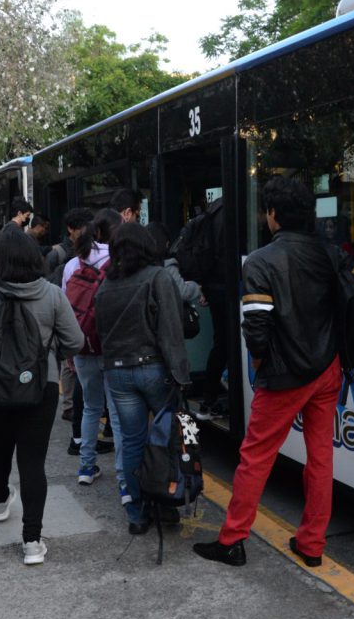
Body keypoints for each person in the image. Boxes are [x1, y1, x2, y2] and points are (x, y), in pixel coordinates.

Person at [194, 177, 342, 568]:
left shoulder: (261, 260)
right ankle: (312, 544)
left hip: (284, 374)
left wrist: (261, 365)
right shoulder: (330, 254)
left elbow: (256, 329)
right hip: (327, 369)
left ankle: (232, 539)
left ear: (273, 215)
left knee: (256, 456)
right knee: (321, 457)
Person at [0, 228, 84, 565]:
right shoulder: (52, 295)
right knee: (32, 461)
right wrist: (49, 355)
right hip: (40, 389)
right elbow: (76, 342)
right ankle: (32, 542)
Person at [95, 223, 189, 534]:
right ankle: (166, 502)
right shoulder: (157, 277)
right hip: (153, 369)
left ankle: (136, 513)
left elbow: (100, 332)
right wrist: (181, 375)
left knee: (132, 441)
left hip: (117, 373)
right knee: (165, 438)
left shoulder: (105, 286)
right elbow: (171, 330)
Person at [62, 209, 122, 490]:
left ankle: (86, 467)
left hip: (83, 348)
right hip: (111, 347)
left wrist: (71, 351)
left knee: (90, 408)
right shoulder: (119, 260)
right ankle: (124, 476)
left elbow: (66, 309)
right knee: (117, 413)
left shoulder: (74, 263)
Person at [47, 208, 94, 421]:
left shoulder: (91, 249)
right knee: (69, 363)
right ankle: (68, 405)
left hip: (82, 315)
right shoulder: (59, 253)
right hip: (66, 313)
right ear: (71, 230)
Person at [192, 194, 228, 422]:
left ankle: (208, 398)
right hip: (226, 287)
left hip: (214, 287)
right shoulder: (230, 211)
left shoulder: (214, 211)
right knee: (226, 343)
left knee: (221, 343)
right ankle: (214, 394)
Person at [146, 222, 204, 306]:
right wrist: (197, 288)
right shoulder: (166, 266)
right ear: (165, 243)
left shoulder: (141, 265)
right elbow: (183, 291)